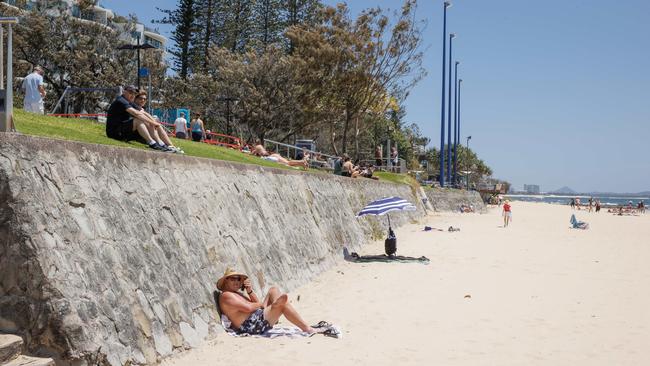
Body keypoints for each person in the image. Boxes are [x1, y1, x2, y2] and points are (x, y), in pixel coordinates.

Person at [216, 268, 319, 335]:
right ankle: (307, 329)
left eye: (239, 279)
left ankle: (276, 309)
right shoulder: (226, 295)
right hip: (250, 326)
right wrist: (264, 305)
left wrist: (250, 291)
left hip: (256, 318)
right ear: (226, 281)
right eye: (233, 279)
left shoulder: (237, 294)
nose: (237, 282)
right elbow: (248, 308)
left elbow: (256, 304)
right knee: (282, 304)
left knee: (273, 290)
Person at [106, 85, 167, 151]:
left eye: (134, 93)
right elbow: (136, 113)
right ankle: (152, 143)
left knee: (148, 121)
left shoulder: (130, 102)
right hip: (114, 133)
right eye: (130, 92)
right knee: (138, 120)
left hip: (124, 132)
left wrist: (154, 122)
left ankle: (162, 144)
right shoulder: (121, 100)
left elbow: (143, 112)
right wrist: (152, 122)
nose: (132, 95)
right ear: (124, 92)